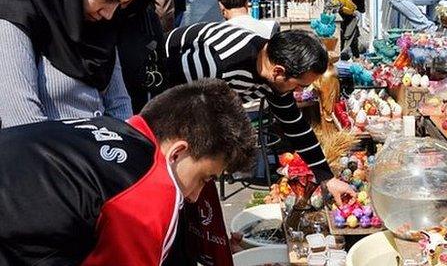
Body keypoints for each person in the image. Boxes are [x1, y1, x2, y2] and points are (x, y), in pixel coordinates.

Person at [0, 79, 256, 265]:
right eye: (204, 179)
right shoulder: (149, 192)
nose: (195, 196)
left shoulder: (115, 127)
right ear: (177, 152)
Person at [165, 28, 356, 204]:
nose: (300, 91)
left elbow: (295, 125)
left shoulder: (273, 73)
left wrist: (327, 178)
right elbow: (173, 107)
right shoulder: (220, 62)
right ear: (279, 72)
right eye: (301, 85)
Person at [0, 0, 152, 128]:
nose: (109, 14)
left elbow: (119, 103)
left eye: (121, 5)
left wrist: (124, 150)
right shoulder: (13, 23)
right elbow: (24, 125)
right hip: (49, 159)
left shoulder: (99, 25)